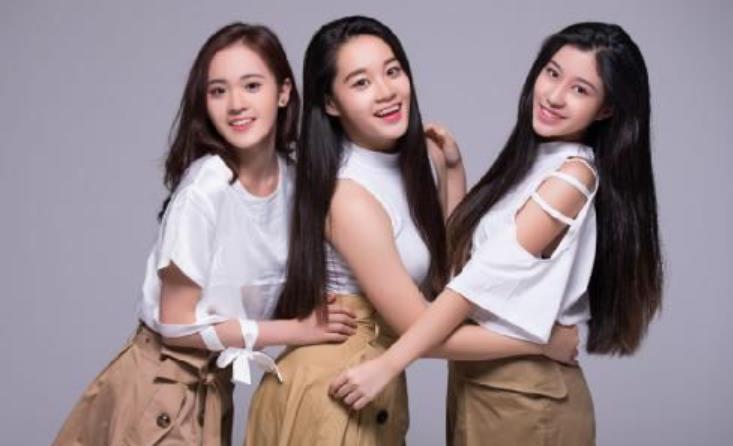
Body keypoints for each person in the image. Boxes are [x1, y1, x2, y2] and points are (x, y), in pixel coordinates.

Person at [246, 16, 578, 446]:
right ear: (331, 102)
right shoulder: (347, 195)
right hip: (332, 390)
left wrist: (452, 171)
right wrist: (538, 342)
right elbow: (422, 330)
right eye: (361, 82)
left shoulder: (423, 159)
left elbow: (457, 279)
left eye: (392, 71)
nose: (386, 91)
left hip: (373, 383)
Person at [331, 22, 664, 446]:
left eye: (580, 90)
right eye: (552, 73)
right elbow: (460, 270)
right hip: (484, 387)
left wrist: (388, 365)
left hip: (528, 399)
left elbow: (471, 289)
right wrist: (453, 171)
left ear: (605, 109)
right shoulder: (534, 162)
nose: (554, 96)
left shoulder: (572, 178)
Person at [53, 22, 356, 446]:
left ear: (283, 92)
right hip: (162, 387)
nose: (236, 104)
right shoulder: (204, 189)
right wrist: (295, 330)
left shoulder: (293, 184)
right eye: (218, 91)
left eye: (252, 85)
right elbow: (176, 325)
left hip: (212, 389)